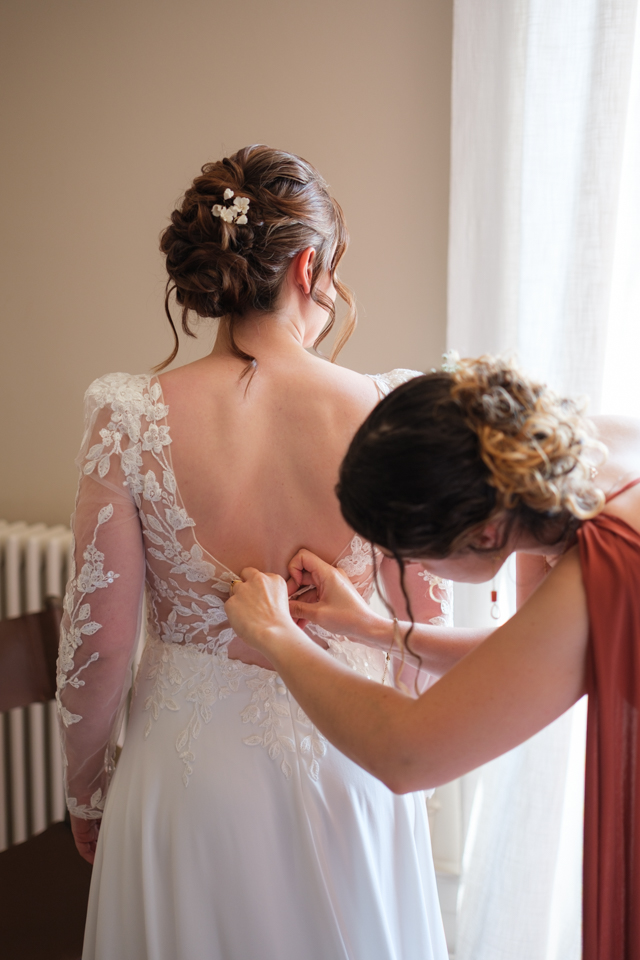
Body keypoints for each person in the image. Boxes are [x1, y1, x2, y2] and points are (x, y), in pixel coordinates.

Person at [56, 145, 452, 960]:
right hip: (352, 762)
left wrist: (85, 788)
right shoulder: (394, 409)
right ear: (309, 266)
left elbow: (98, 642)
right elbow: (423, 629)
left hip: (185, 781)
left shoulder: (127, 415)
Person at [225, 356, 640, 960]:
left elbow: (406, 753)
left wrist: (276, 634)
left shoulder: (606, 560)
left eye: (409, 554)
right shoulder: (562, 470)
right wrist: (372, 627)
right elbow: (529, 657)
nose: (407, 566)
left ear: (485, 534)